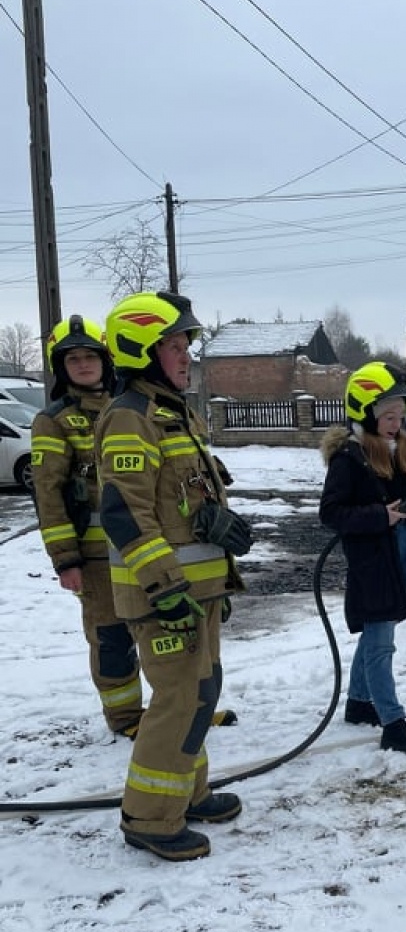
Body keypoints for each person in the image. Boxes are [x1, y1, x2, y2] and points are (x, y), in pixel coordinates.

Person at [97, 290, 253, 862]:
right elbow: (125, 512)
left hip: (195, 592)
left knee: (200, 693)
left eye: (187, 344)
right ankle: (149, 818)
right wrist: (166, 588)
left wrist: (215, 561)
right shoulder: (129, 416)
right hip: (163, 595)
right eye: (175, 345)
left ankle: (188, 793)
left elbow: (180, 503)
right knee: (179, 698)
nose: (187, 355)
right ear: (142, 350)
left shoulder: (171, 413)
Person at [319, 361, 406, 759]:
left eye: (400, 415)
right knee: (380, 644)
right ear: (365, 412)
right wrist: (381, 516)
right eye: (388, 416)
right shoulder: (350, 458)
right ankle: (393, 724)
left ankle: (360, 702)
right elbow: (331, 513)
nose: (397, 423)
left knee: (380, 630)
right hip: (373, 565)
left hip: (405, 559)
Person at [31, 315, 143, 737]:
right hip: (96, 560)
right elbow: (48, 494)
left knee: (163, 632)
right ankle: (126, 717)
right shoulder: (54, 420)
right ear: (61, 367)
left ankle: (179, 710)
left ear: (104, 360)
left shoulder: (128, 408)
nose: (82, 365)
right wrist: (66, 560)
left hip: (145, 547)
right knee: (112, 638)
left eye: (89, 356)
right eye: (72, 359)